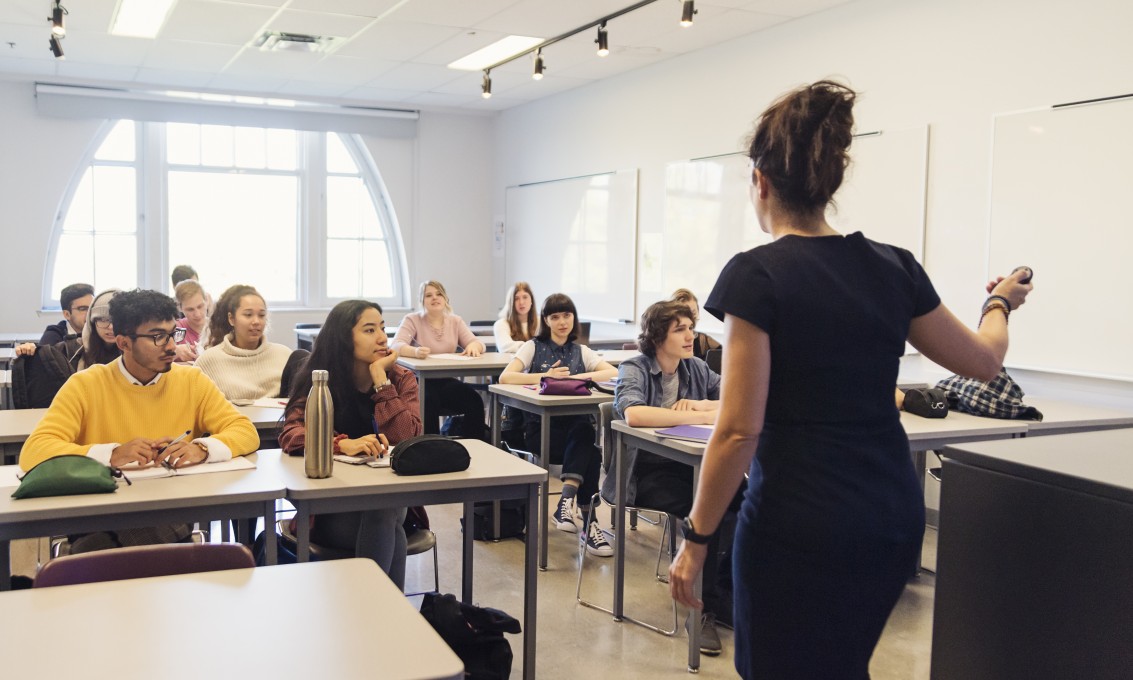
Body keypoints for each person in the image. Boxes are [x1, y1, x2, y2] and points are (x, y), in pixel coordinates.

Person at [667, 80, 1033, 679]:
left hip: (797, 525)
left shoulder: (755, 276)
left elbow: (737, 431)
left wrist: (697, 538)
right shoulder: (894, 268)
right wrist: (999, 303)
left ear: (760, 182)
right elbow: (984, 362)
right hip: (888, 518)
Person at [20, 289, 260, 552]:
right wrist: (111, 454)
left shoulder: (191, 381)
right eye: (157, 337)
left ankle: (91, 561)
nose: (170, 346)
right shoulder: (86, 384)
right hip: (101, 511)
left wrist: (201, 448)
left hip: (169, 507)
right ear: (123, 343)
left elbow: (245, 431)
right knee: (154, 543)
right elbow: (34, 451)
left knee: (133, 540)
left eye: (172, 334)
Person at [607, 299, 737, 655]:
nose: (690, 336)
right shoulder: (635, 366)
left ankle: (721, 591)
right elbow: (634, 415)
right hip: (644, 474)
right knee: (707, 510)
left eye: (690, 328)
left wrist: (700, 406)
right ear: (657, 336)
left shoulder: (695, 368)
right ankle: (706, 609)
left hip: (690, 466)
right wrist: (699, 418)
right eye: (680, 329)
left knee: (747, 496)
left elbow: (736, 399)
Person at [279, 300, 421, 589]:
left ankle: (370, 619)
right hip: (332, 509)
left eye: (382, 328)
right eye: (369, 330)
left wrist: (381, 381)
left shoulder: (400, 378)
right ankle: (387, 620)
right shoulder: (320, 378)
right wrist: (341, 445)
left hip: (393, 500)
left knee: (384, 510)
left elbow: (408, 437)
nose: (382, 337)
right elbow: (291, 433)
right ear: (344, 337)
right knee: (389, 522)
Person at [499, 293, 618, 556]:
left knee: (586, 438)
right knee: (589, 447)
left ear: (574, 318)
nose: (562, 321)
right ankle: (588, 523)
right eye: (555, 316)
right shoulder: (532, 346)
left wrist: (577, 377)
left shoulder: (581, 351)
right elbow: (506, 377)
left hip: (574, 439)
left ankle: (567, 503)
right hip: (540, 433)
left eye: (567, 315)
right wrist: (547, 375)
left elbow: (614, 372)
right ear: (546, 320)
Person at [390, 280, 487, 439]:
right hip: (418, 381)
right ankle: (432, 448)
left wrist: (474, 347)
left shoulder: (455, 321)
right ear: (422, 300)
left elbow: (477, 343)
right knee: (428, 401)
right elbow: (395, 346)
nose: (435, 298)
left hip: (445, 380)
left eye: (439, 294)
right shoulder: (412, 319)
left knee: (474, 400)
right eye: (429, 295)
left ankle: (475, 447)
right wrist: (415, 351)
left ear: (445, 299)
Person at [196, 284, 293, 401]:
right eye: (248, 315)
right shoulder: (209, 360)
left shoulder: (284, 355)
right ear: (231, 319)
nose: (256, 321)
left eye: (261, 315)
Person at [669, 288, 722, 361]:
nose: (690, 319)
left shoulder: (704, 340)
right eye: (685, 314)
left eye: (693, 313)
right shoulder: (667, 342)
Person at [39, 282, 94, 347]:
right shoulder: (52, 337)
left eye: (92, 307)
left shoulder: (101, 331)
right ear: (67, 314)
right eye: (83, 309)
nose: (90, 313)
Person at [172, 279, 210, 364]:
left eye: (200, 306)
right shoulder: (174, 329)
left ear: (207, 300)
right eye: (190, 309)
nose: (197, 314)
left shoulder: (219, 329)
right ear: (180, 308)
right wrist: (174, 352)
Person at [493, 282, 539, 353]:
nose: (521, 302)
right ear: (511, 303)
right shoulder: (501, 324)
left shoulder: (541, 322)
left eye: (525, 297)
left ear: (531, 300)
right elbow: (505, 347)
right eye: (516, 299)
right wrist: (535, 347)